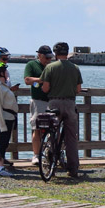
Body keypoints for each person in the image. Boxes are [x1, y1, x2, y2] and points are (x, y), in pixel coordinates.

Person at [40, 42, 83, 178]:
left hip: (54, 103)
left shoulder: (50, 67)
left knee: (53, 131)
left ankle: (51, 161)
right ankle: (73, 169)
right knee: (71, 137)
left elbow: (45, 88)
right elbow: (78, 89)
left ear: (55, 53)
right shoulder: (75, 68)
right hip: (70, 103)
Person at [24, 45, 54, 165]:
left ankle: (49, 152)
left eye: (50, 58)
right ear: (39, 55)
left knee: (52, 129)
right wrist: (41, 79)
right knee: (36, 128)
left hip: (52, 101)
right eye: (46, 58)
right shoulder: (31, 65)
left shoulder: (52, 66)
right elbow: (27, 80)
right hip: (38, 101)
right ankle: (36, 155)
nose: (48, 60)